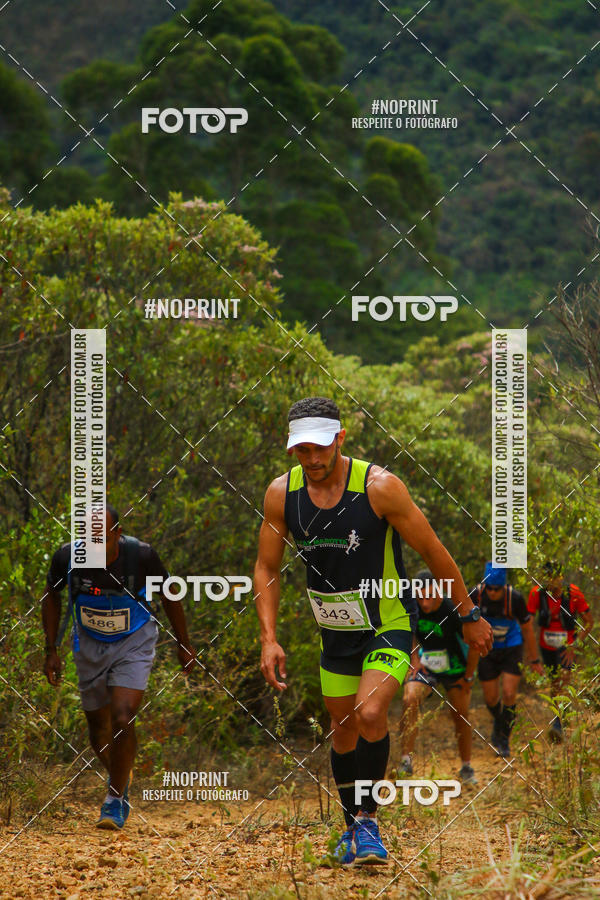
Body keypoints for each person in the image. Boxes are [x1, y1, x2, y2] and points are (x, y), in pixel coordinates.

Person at [254, 397, 492, 867]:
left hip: (388, 622)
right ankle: (351, 828)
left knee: (370, 711)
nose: (314, 459)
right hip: (334, 631)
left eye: (321, 447)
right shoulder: (281, 495)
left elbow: (433, 551)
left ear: (341, 438)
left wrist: (468, 613)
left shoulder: (380, 487)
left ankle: (368, 824)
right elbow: (266, 565)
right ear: (292, 450)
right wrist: (269, 637)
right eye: (302, 451)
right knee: (342, 731)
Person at [42, 505, 196, 829]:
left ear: (117, 533)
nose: (92, 543)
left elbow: (170, 595)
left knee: (123, 717)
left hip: (133, 639)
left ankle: (113, 799)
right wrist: (51, 649)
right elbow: (51, 597)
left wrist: (184, 643)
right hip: (89, 643)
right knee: (98, 733)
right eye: (86, 536)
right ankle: (121, 780)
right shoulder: (67, 558)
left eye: (100, 536)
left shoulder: (140, 556)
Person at [400, 570, 480, 785]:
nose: (424, 604)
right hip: (427, 664)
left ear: (438, 592)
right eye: (420, 598)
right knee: (409, 699)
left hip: (455, 666)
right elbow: (409, 633)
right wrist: (414, 658)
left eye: (429, 597)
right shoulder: (412, 607)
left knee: (460, 714)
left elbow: (475, 644)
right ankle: (405, 761)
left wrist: (469, 676)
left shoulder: (451, 609)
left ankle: (466, 767)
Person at [470, 563, 544, 757]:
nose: (493, 593)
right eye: (490, 589)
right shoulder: (476, 595)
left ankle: (503, 739)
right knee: (491, 698)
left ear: (503, 587)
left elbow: (527, 629)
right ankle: (500, 720)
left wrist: (534, 659)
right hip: (488, 649)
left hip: (511, 646)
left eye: (497, 589)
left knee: (509, 693)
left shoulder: (515, 599)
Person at [527, 562, 593, 741]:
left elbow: (589, 622)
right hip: (546, 645)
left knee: (565, 678)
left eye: (554, 577)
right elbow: (528, 621)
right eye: (548, 577)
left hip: (567, 646)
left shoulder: (574, 594)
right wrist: (531, 654)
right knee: (555, 682)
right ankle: (559, 715)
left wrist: (575, 645)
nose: (552, 581)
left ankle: (558, 723)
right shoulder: (537, 594)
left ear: (561, 577)